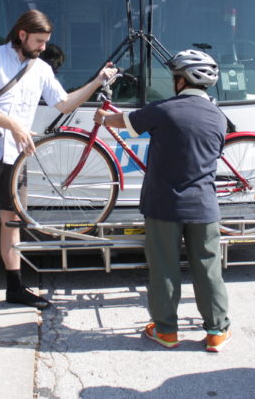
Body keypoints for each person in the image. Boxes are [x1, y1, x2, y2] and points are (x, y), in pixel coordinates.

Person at [0, 10, 116, 328]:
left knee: (12, 221)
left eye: (46, 42)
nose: (44, 47)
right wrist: (13, 124)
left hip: (17, 157)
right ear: (21, 35)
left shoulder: (41, 69)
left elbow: (63, 103)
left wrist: (97, 82)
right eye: (39, 41)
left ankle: (15, 288)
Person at [94, 49, 231, 352]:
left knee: (165, 268)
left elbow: (123, 121)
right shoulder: (219, 117)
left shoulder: (165, 110)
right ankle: (216, 331)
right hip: (205, 207)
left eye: (175, 77)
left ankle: (167, 331)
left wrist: (103, 117)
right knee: (208, 268)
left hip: (163, 205)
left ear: (180, 81)